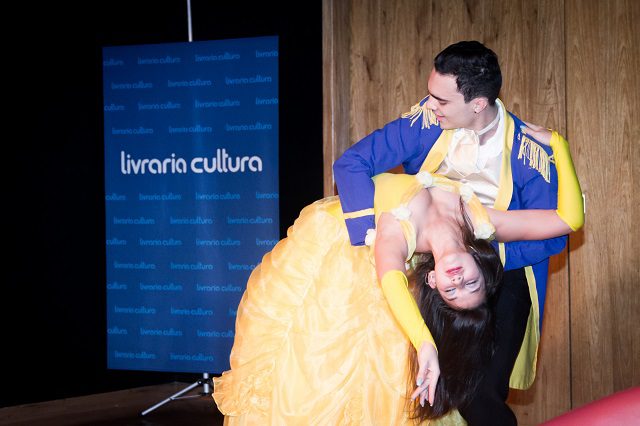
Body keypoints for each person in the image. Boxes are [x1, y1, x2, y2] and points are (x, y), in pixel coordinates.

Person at [212, 123, 583, 424]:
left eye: (452, 291)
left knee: (329, 377)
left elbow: (390, 279)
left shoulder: (402, 233)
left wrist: (425, 344)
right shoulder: (480, 221)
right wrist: (558, 145)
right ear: (479, 264)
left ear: (434, 281)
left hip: (349, 263)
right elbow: (568, 219)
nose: (458, 281)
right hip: (341, 236)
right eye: (470, 283)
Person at [332, 40, 580, 424]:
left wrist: (480, 256)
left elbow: (554, 233)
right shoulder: (425, 124)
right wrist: (371, 237)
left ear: (477, 104)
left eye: (442, 100)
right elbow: (352, 164)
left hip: (506, 264)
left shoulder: (528, 153)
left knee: (481, 392)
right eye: (431, 94)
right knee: (432, 387)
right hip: (432, 260)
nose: (430, 105)